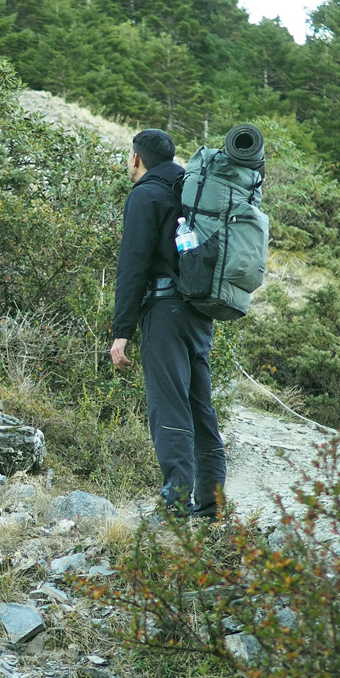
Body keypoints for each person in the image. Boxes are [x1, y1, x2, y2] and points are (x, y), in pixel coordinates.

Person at [109, 128, 226, 518]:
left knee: (169, 407)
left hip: (163, 312)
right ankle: (213, 505)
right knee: (199, 408)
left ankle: (175, 505)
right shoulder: (193, 190)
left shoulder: (146, 194)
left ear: (137, 159)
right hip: (199, 313)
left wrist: (121, 331)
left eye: (130, 157)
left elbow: (133, 265)